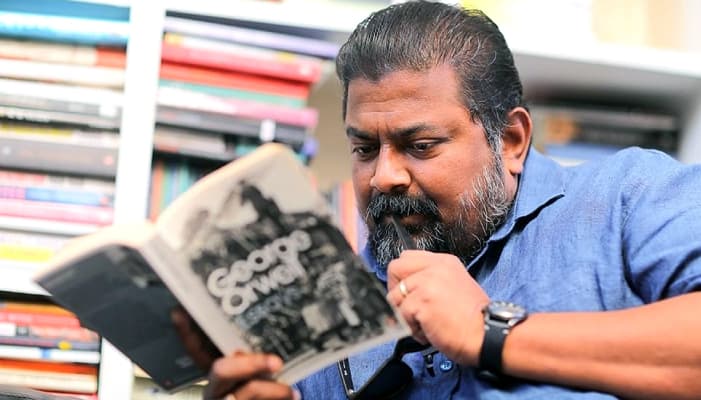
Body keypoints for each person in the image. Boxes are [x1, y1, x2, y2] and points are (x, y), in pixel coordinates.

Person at [181, 1, 701, 398]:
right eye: (364, 149)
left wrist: (490, 332)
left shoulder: (628, 196)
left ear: (511, 141)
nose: (383, 177)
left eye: (421, 145)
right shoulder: (328, 302)